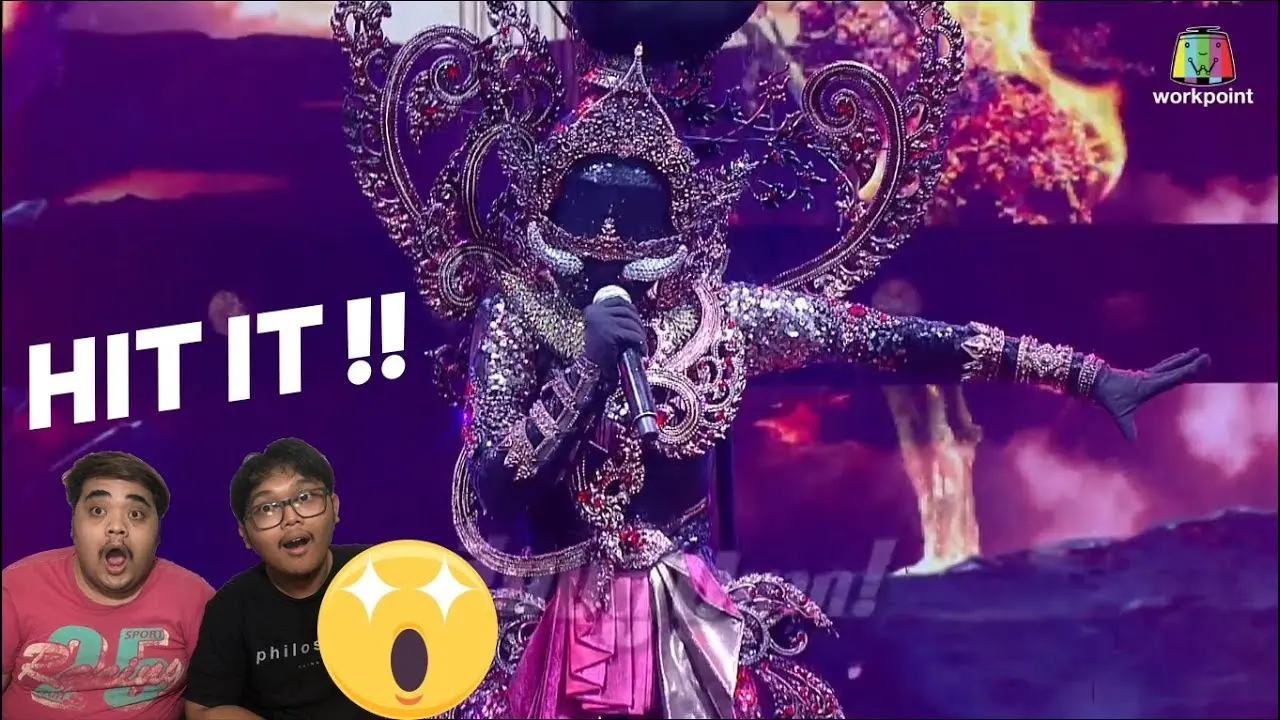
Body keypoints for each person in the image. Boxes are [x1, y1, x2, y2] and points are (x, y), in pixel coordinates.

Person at [334, 1, 1211, 718]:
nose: (611, 264)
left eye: (637, 245)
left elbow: (894, 340)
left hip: (689, 635)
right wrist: (586, 372)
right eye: (587, 241)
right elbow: (491, 492)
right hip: (553, 634)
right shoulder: (519, 317)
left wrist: (1084, 375)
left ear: (683, 236)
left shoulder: (727, 319)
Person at [2, 451, 214, 719]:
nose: (116, 527)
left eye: (136, 514)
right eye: (97, 511)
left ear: (158, 534)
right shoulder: (16, 587)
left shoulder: (194, 597)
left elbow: (213, 703)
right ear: (73, 526)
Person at [183, 438, 375, 720]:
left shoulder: (379, 571)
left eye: (305, 497)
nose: (290, 518)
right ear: (245, 534)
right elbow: (202, 709)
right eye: (267, 508)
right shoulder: (231, 606)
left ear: (334, 507)